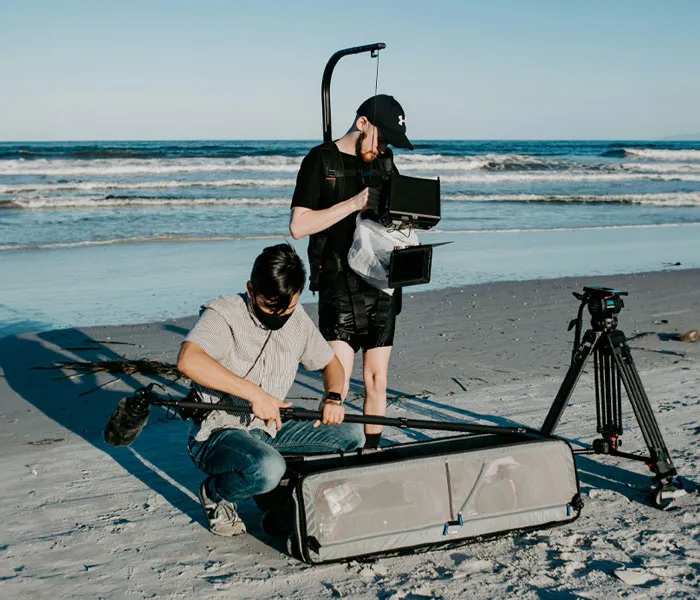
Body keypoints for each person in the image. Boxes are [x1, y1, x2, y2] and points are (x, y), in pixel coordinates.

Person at [177, 243, 365, 536]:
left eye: (286, 309)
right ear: (251, 289)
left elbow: (332, 365)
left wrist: (333, 397)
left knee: (352, 435)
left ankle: (304, 496)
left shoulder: (298, 320)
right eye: (268, 307)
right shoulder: (224, 314)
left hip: (271, 428)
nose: (278, 317)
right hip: (216, 434)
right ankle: (216, 494)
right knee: (267, 468)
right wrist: (255, 394)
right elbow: (189, 359)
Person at [289, 94, 414, 449]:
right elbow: (299, 226)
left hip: (382, 284)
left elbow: (396, 220)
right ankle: (330, 454)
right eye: (383, 137)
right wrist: (355, 203)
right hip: (338, 283)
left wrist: (407, 236)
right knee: (337, 386)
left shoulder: (386, 162)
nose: (386, 146)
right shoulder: (320, 161)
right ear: (362, 124)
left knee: (377, 379)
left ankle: (371, 454)